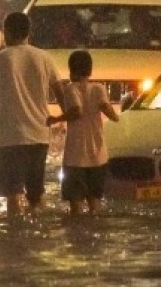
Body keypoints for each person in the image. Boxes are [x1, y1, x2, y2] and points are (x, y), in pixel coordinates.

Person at [0, 11, 65, 217]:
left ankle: (15, 238)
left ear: (7, 32)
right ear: (28, 33)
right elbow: (62, 96)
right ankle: (39, 236)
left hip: (10, 140)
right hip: (39, 137)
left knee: (12, 195)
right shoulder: (44, 58)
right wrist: (65, 119)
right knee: (36, 196)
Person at [48, 50, 119, 216]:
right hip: (98, 156)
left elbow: (76, 111)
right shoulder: (99, 88)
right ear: (90, 71)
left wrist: (55, 119)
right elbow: (110, 113)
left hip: (76, 157)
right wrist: (117, 114)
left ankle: (78, 238)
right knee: (95, 204)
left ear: (71, 71)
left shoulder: (71, 88)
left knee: (76, 206)